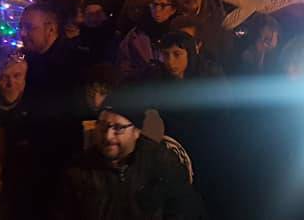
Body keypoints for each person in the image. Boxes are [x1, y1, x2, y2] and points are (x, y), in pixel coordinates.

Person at [54, 90, 204, 219]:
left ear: (136, 132)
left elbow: (186, 210)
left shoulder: (161, 162)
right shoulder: (79, 171)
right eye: (103, 126)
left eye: (118, 128)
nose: (108, 136)